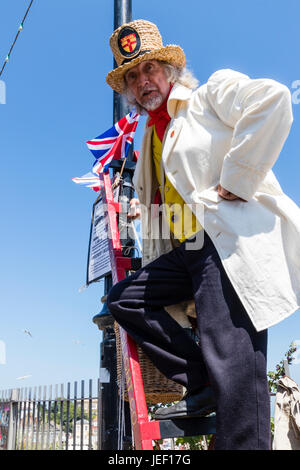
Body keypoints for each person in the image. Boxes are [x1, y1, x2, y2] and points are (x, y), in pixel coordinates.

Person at [106, 19, 300, 450]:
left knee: (237, 370)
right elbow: (176, 195)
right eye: (133, 77)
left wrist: (236, 178)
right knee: (125, 299)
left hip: (226, 248)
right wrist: (145, 211)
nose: (143, 81)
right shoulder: (149, 138)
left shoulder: (208, 96)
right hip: (189, 252)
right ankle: (202, 380)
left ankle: (222, 392)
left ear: (170, 70)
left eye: (149, 68)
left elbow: (274, 98)